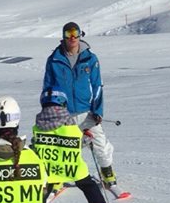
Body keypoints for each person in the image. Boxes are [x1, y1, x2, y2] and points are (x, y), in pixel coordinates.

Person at [42, 21, 116, 185]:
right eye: (68, 34)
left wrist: (98, 110)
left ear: (80, 34)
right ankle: (57, 178)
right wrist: (49, 110)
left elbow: (97, 86)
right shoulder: (54, 60)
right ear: (63, 37)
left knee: (99, 142)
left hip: (86, 111)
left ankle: (107, 172)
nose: (72, 37)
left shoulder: (90, 58)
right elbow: (48, 87)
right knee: (63, 148)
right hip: (63, 112)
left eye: (75, 33)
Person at [31, 88, 110, 203]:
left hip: (49, 166)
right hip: (72, 165)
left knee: (43, 189)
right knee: (88, 185)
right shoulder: (68, 120)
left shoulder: (39, 124)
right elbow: (76, 141)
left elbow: (36, 144)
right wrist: (87, 138)